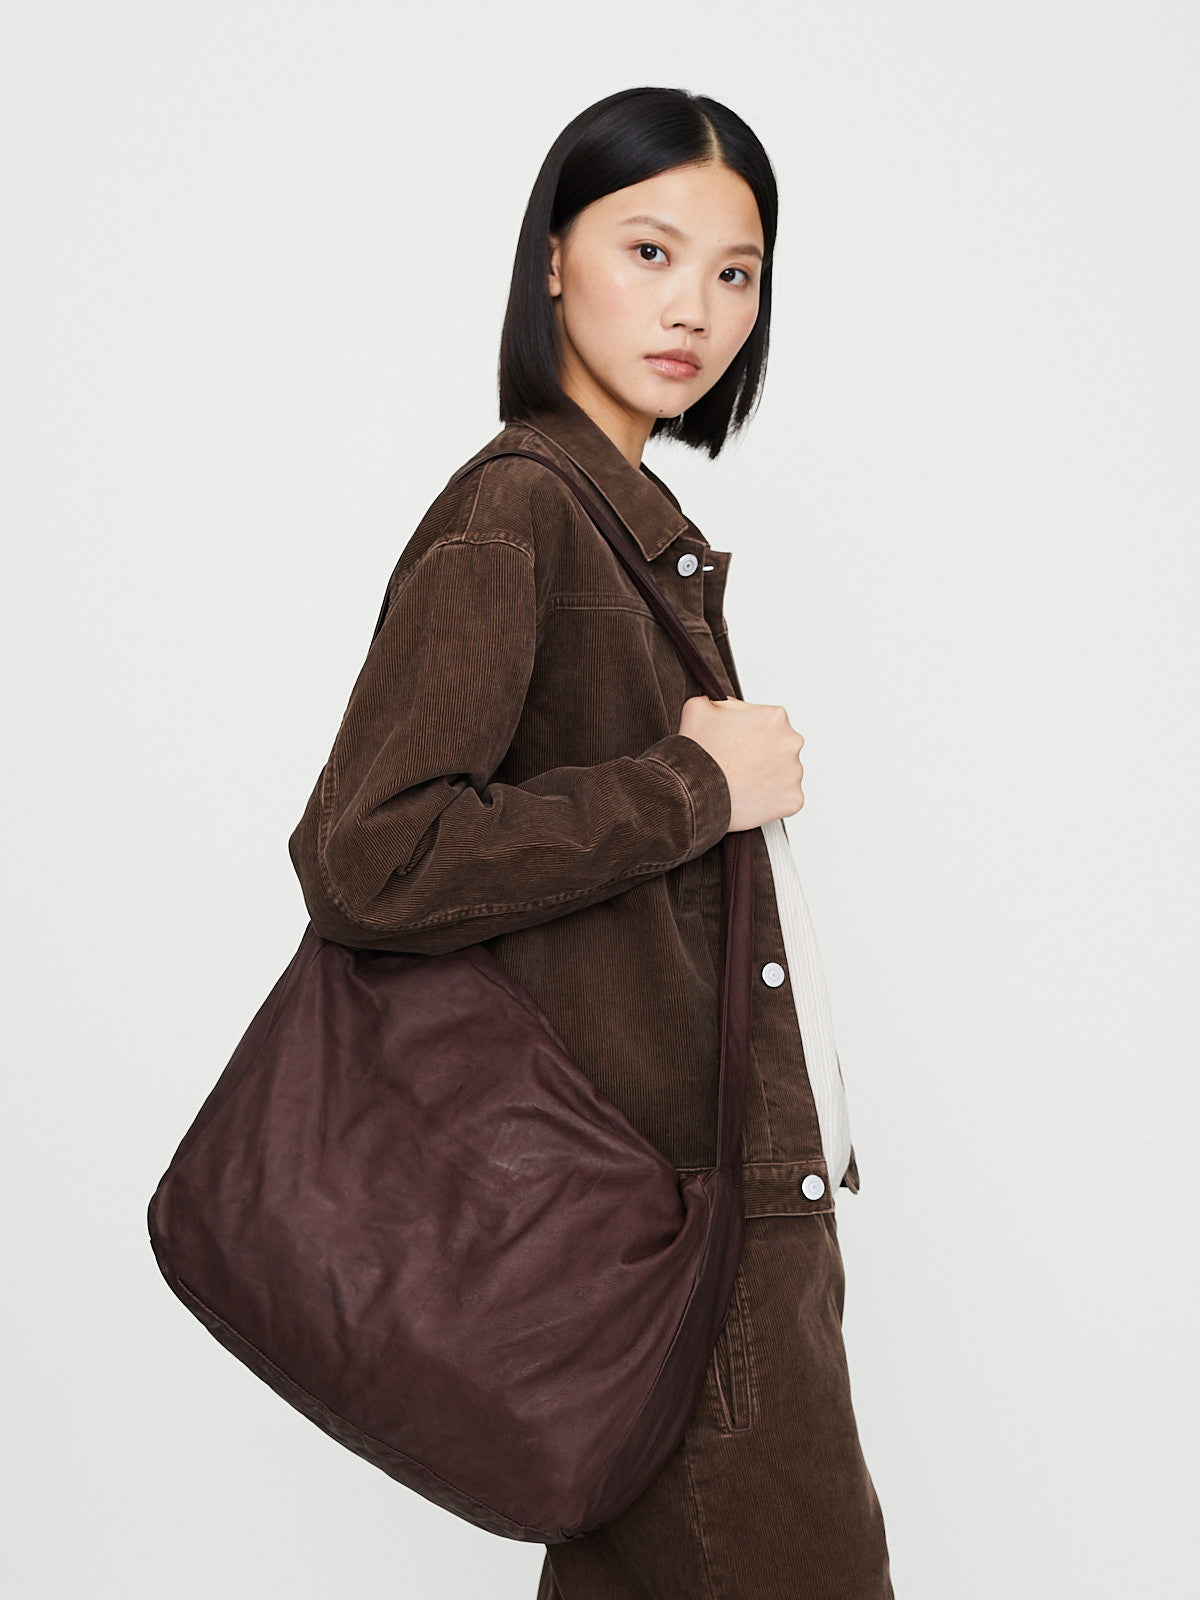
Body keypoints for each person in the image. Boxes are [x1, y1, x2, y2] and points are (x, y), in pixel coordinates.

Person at [288, 85, 894, 1600]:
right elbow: (369, 854)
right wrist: (692, 787)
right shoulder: (520, 516)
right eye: (649, 250)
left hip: (694, 1228)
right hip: (670, 1238)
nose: (696, 307)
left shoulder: (628, 532)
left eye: (737, 271)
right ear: (552, 259)